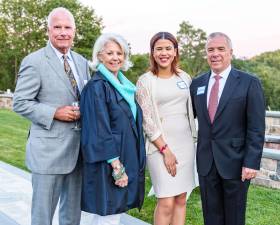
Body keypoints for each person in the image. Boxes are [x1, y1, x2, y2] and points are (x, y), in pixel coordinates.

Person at [13, 7, 90, 225]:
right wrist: (54, 113)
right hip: (47, 154)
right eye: (57, 27)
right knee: (42, 217)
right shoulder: (34, 61)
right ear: (48, 30)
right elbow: (20, 102)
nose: (63, 32)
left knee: (72, 216)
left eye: (68, 27)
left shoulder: (82, 62)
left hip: (78, 153)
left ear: (74, 31)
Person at [190, 32, 265, 225]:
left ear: (230, 52)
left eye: (220, 49)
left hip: (237, 162)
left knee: (234, 217)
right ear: (206, 54)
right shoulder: (197, 84)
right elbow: (189, 118)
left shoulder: (249, 83)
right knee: (211, 217)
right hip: (206, 163)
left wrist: (251, 162)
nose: (215, 54)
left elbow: (256, 127)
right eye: (210, 50)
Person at [80, 33, 146, 225]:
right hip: (107, 162)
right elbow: (99, 129)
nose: (116, 57)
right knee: (105, 214)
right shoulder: (97, 87)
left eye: (120, 53)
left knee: (112, 213)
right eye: (110, 53)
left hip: (124, 156)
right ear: (99, 56)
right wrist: (117, 167)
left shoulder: (123, 86)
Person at [136, 32, 197, 225]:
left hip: (186, 145)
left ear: (175, 51)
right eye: (159, 48)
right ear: (152, 53)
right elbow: (146, 120)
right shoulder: (145, 81)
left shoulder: (184, 77)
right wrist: (165, 150)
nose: (164, 53)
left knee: (181, 198)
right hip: (159, 147)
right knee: (166, 201)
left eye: (168, 48)